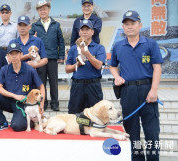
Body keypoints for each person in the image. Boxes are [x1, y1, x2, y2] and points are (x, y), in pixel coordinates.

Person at [110, 10, 163, 161]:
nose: (129, 27)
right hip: (128, 92)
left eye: (132, 23)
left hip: (148, 91)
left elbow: (157, 67)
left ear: (140, 25)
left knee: (152, 132)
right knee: (132, 132)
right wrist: (117, 76)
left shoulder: (150, 44)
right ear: (123, 27)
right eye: (126, 24)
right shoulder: (118, 46)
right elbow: (113, 66)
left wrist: (154, 90)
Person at [0, 42, 45, 131]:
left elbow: (41, 87)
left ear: (21, 54)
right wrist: (14, 95)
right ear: (8, 57)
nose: (14, 56)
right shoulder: (4, 69)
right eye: (11, 54)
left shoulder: (30, 70)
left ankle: (31, 120)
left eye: (16, 53)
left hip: (23, 104)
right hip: (9, 100)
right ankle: (2, 123)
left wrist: (41, 105)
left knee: (17, 126)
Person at [30, 0, 65, 111]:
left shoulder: (56, 24)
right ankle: (43, 103)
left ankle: (55, 103)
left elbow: (61, 41)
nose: (43, 11)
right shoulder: (35, 25)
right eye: (40, 9)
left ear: (49, 10)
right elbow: (30, 40)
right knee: (41, 82)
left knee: (54, 81)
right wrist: (33, 39)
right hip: (40, 59)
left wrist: (61, 55)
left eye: (45, 9)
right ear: (38, 11)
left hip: (53, 57)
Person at [65, 19, 106, 114]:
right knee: (75, 115)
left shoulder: (99, 47)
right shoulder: (73, 49)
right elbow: (67, 69)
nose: (84, 32)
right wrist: (77, 64)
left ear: (92, 32)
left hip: (93, 86)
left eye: (87, 29)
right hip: (77, 86)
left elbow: (98, 65)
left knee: (97, 115)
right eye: (82, 29)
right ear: (79, 32)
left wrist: (86, 53)